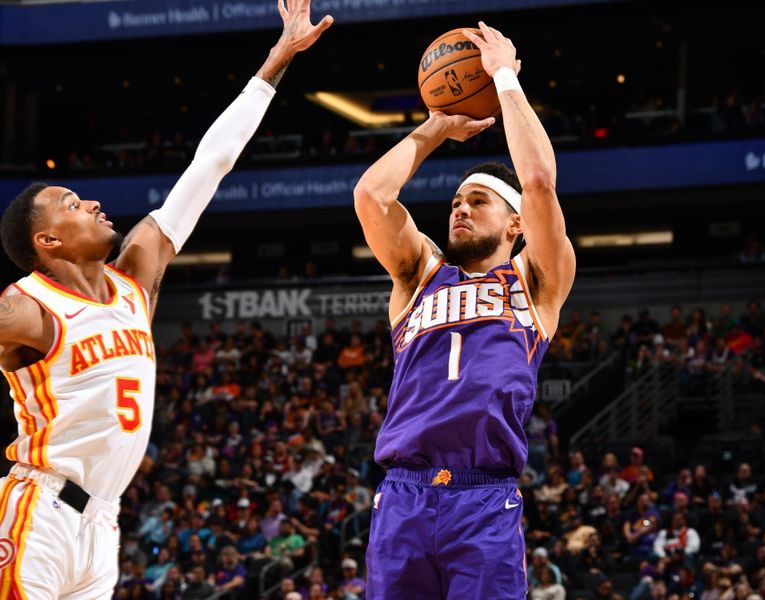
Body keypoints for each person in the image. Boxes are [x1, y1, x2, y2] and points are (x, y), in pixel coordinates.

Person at [0, 1, 333, 596]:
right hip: (40, 510)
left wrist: (277, 60)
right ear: (46, 240)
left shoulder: (135, 279)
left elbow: (211, 165)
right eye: (73, 205)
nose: (94, 204)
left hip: (103, 524)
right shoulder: (26, 305)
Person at [355, 22, 575, 600]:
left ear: (515, 223)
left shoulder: (534, 280)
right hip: (403, 492)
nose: (461, 210)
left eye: (478, 202)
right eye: (456, 202)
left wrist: (504, 77)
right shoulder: (420, 273)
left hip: (484, 497)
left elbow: (539, 181)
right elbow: (371, 197)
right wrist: (433, 128)